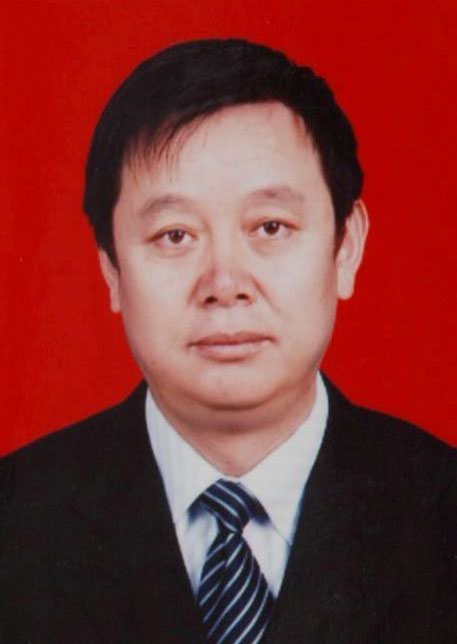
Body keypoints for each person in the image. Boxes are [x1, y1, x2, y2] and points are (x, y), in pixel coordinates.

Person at [1, 39, 455, 644]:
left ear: (346, 248)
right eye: (174, 235)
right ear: (111, 269)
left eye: (270, 226)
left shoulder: (441, 511)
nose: (224, 284)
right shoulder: (16, 520)